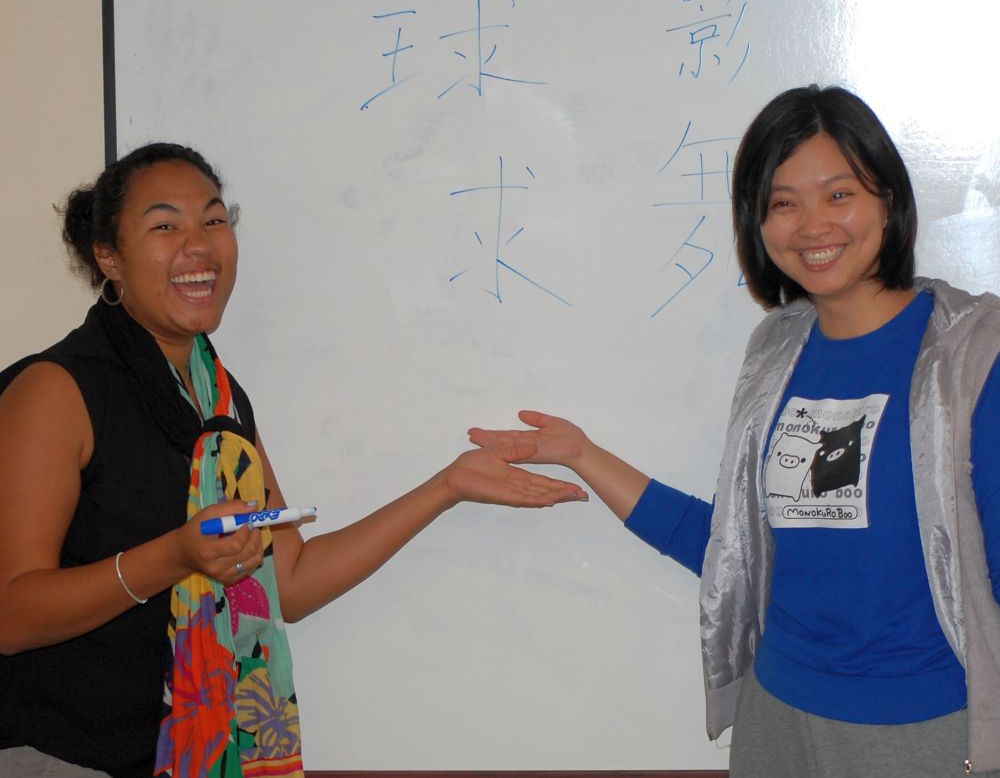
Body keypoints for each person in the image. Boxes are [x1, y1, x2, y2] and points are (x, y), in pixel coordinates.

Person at [0, 143, 587, 778]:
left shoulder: (220, 400)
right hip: (55, 755)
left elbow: (291, 581)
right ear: (109, 257)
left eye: (214, 220)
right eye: (165, 226)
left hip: (184, 760)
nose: (199, 245)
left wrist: (448, 487)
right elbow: (10, 614)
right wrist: (175, 555)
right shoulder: (56, 389)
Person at [470, 85, 1000, 777]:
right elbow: (733, 551)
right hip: (775, 720)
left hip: (923, 731)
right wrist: (582, 454)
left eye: (839, 194)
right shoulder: (776, 355)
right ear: (757, 221)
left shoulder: (970, 358)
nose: (813, 225)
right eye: (784, 203)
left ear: (889, 201)